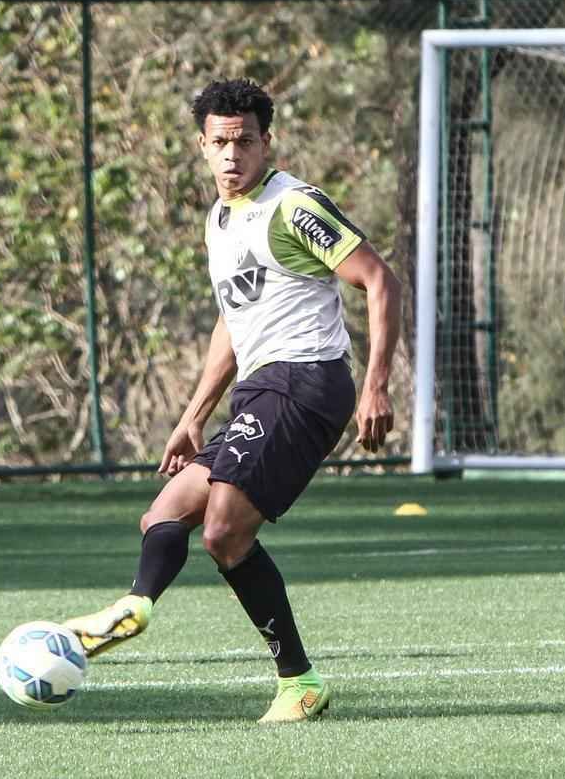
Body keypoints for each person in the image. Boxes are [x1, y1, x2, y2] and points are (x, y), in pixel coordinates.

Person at [64, 77, 401, 723]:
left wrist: (376, 384)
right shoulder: (219, 220)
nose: (231, 155)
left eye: (244, 141)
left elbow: (379, 280)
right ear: (201, 145)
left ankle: (297, 681)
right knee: (165, 513)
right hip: (261, 389)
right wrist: (192, 416)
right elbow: (232, 320)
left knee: (223, 530)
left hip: (306, 381)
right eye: (219, 142)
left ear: (266, 141)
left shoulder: (292, 206)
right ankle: (135, 607)